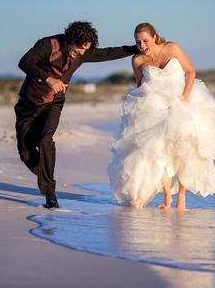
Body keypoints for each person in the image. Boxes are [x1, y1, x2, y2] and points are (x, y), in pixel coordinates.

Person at [16, 21, 138, 209]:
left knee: (45, 139)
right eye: (80, 48)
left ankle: (50, 193)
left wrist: (136, 48)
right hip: (28, 104)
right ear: (72, 40)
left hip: (54, 104)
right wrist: (48, 79)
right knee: (25, 152)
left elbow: (109, 53)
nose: (82, 53)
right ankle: (46, 176)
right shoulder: (48, 44)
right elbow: (25, 62)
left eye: (86, 50)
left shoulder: (83, 51)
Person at [108, 23, 215, 210]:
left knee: (186, 147)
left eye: (145, 40)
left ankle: (181, 197)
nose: (142, 45)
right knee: (158, 151)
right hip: (154, 107)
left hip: (182, 101)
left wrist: (185, 96)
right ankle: (166, 198)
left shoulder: (171, 48)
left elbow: (190, 72)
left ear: (154, 37)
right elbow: (140, 86)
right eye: (138, 42)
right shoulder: (137, 60)